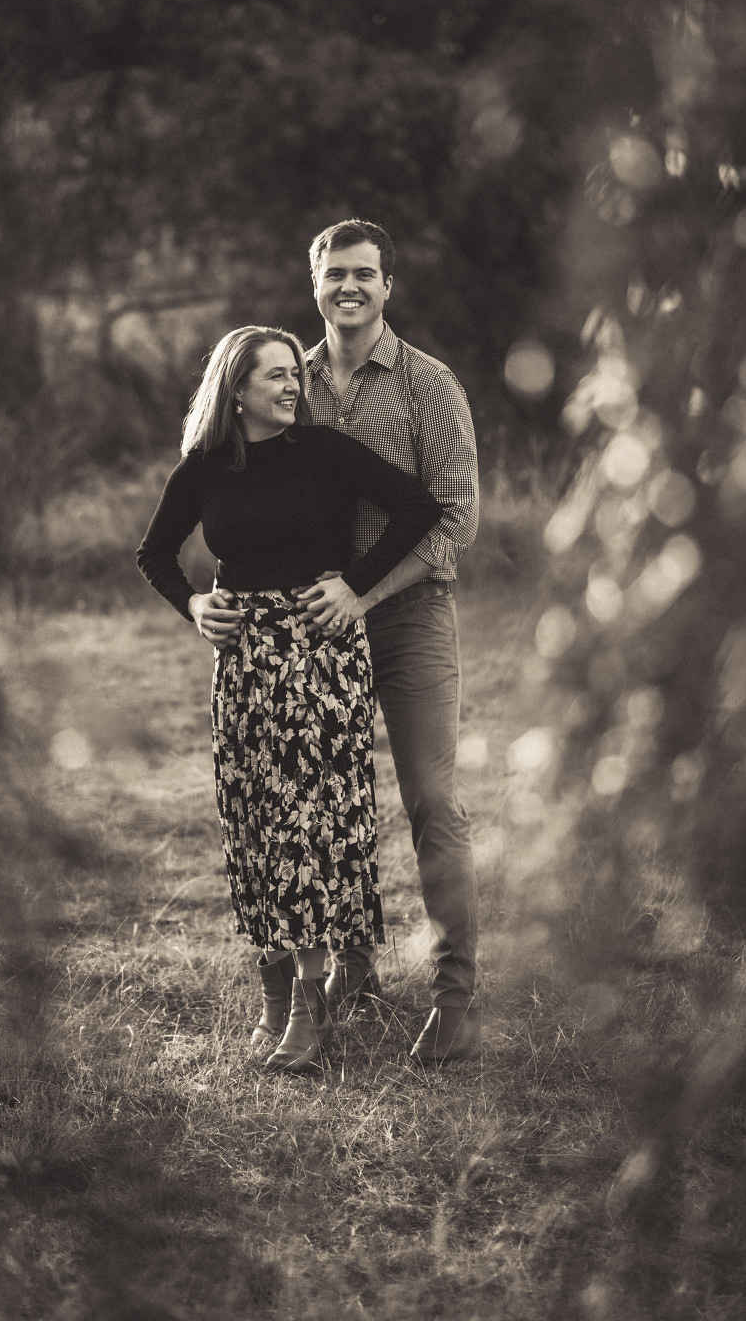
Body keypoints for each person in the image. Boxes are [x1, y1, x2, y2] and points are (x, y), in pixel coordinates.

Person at [136, 325, 443, 1075]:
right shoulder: (204, 467)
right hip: (245, 663)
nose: (291, 385)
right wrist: (193, 605)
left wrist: (356, 586)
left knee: (311, 825)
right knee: (254, 823)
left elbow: (419, 508)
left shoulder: (325, 452)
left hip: (320, 653)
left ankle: (311, 1006)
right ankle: (275, 997)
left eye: (293, 375)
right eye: (274, 375)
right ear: (235, 389)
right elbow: (153, 554)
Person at [296, 219, 481, 1064]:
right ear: (314, 283)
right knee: (333, 806)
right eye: (335, 272)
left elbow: (455, 524)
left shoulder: (426, 384)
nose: (349, 286)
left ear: (387, 286)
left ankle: (455, 999)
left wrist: (363, 592)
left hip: (409, 617)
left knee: (432, 802)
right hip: (316, 623)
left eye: (363, 273)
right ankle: (353, 967)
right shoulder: (287, 379)